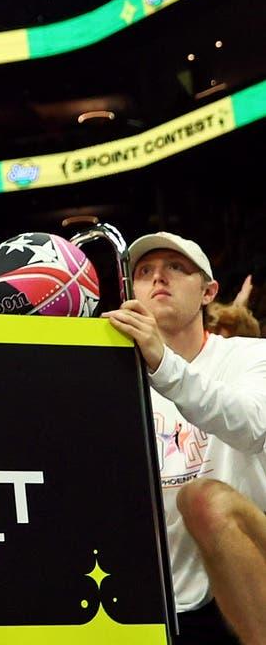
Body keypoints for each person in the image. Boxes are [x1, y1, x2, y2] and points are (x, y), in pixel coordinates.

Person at [103, 232, 266, 644]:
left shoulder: (251, 356)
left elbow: (252, 427)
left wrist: (163, 363)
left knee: (202, 498)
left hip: (253, 579)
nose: (159, 278)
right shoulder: (111, 382)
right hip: (161, 599)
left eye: (176, 267)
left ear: (209, 291)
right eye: (144, 271)